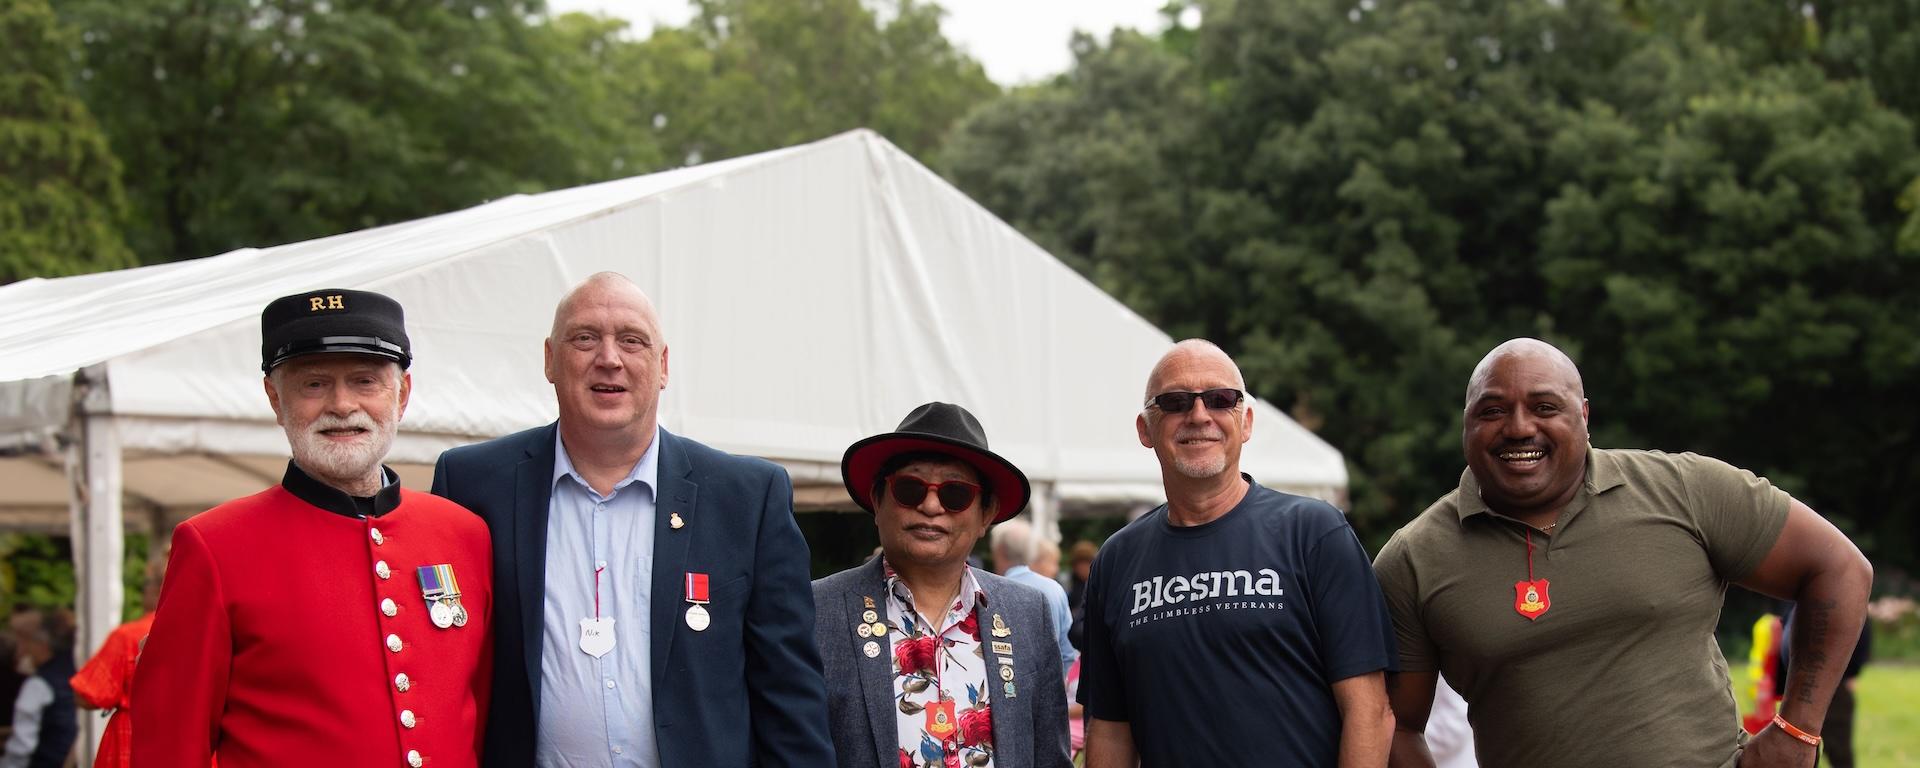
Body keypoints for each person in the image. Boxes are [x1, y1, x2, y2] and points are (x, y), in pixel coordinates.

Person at [1372, 338, 1874, 768]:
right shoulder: (1413, 561)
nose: (1520, 427)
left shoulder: (1684, 490)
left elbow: (1840, 569)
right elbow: (1395, 726)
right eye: (1492, 410)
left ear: (1584, 415)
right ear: (1465, 424)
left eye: (1545, 407)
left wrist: (1797, 731)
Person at [432, 272, 832, 768]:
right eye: (584, 338)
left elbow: (789, 695)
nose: (609, 358)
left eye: (631, 340)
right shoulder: (472, 486)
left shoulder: (747, 498)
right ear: (549, 360)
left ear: (662, 366)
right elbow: (445, 677)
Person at [133, 288, 494, 768]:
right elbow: (169, 750)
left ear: (402, 394)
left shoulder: (465, 535)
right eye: (314, 385)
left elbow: (487, 716)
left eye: (365, 382)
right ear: (274, 399)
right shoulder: (214, 546)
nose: (343, 405)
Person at [1078, 339, 1397, 767]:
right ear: (1145, 429)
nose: (1198, 415)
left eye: (1220, 399)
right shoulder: (1116, 561)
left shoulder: (1314, 532)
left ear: (1245, 421)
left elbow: (1370, 713)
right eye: (1174, 402)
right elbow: (1111, 730)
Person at [812, 402, 1071, 768]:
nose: (932, 505)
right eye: (909, 488)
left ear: (986, 514)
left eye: (955, 493)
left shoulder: (1027, 613)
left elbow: (1050, 758)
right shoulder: (817, 610)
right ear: (876, 500)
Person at [69, 556, 168, 768]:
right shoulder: (206, 631)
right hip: (190, 739)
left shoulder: (128, 636)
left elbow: (87, 695)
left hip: (132, 740)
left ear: (156, 587)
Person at [992, 519, 1077, 671]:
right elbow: (1068, 652)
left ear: (1000, 549)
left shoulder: (991, 592)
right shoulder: (1054, 589)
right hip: (1052, 687)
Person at [3, 610, 75, 768]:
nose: (25, 650)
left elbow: (22, 747)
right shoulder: (77, 673)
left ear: (42, 645)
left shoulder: (39, 684)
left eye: (27, 642)